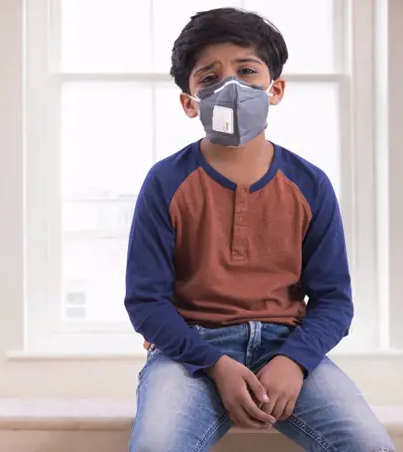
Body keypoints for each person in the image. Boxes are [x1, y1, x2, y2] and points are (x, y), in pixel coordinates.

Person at [124, 7, 395, 452]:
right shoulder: (166, 182)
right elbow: (145, 301)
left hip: (287, 346)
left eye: (247, 70)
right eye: (208, 78)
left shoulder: (310, 184)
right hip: (189, 352)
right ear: (189, 102)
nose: (230, 86)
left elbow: (333, 300)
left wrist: (294, 360)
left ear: (276, 89)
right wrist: (213, 364)